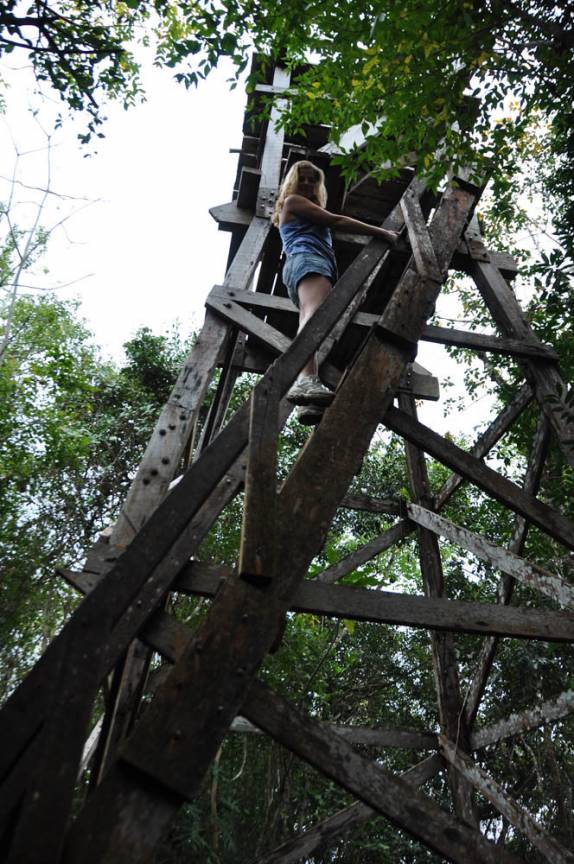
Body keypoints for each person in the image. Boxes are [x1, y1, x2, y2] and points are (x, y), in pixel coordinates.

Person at [272, 160, 399, 420]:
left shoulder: (298, 207)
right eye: (302, 178)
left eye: (313, 180)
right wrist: (383, 233)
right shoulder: (293, 201)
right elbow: (336, 220)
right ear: (292, 182)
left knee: (309, 318)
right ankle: (305, 382)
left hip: (302, 264)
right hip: (308, 261)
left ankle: (307, 397)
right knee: (314, 318)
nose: (307, 183)